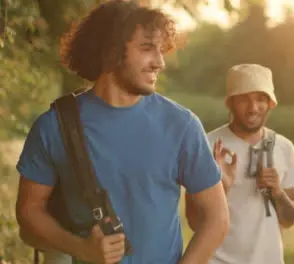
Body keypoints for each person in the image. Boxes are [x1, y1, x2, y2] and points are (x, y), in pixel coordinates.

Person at [14, 1, 229, 264]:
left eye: (161, 50)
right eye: (147, 48)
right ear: (110, 51)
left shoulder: (181, 125)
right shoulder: (54, 126)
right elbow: (29, 211)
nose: (159, 62)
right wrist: (81, 248)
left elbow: (217, 218)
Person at [185, 63, 294, 264]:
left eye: (260, 99)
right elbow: (194, 222)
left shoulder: (284, 147)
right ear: (230, 103)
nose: (253, 108)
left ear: (271, 103)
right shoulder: (208, 145)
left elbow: (289, 219)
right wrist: (221, 186)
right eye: (243, 100)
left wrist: (277, 191)